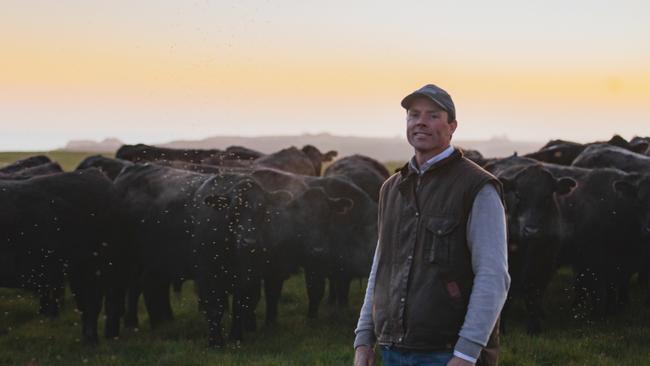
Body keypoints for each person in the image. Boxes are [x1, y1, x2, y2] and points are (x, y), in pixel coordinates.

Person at [353, 84, 510, 366]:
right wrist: (364, 338)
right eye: (414, 115)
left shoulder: (476, 187)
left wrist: (466, 352)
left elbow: (493, 276)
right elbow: (380, 267)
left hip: (447, 352)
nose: (421, 121)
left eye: (433, 115)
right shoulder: (391, 188)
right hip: (393, 348)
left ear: (452, 126)